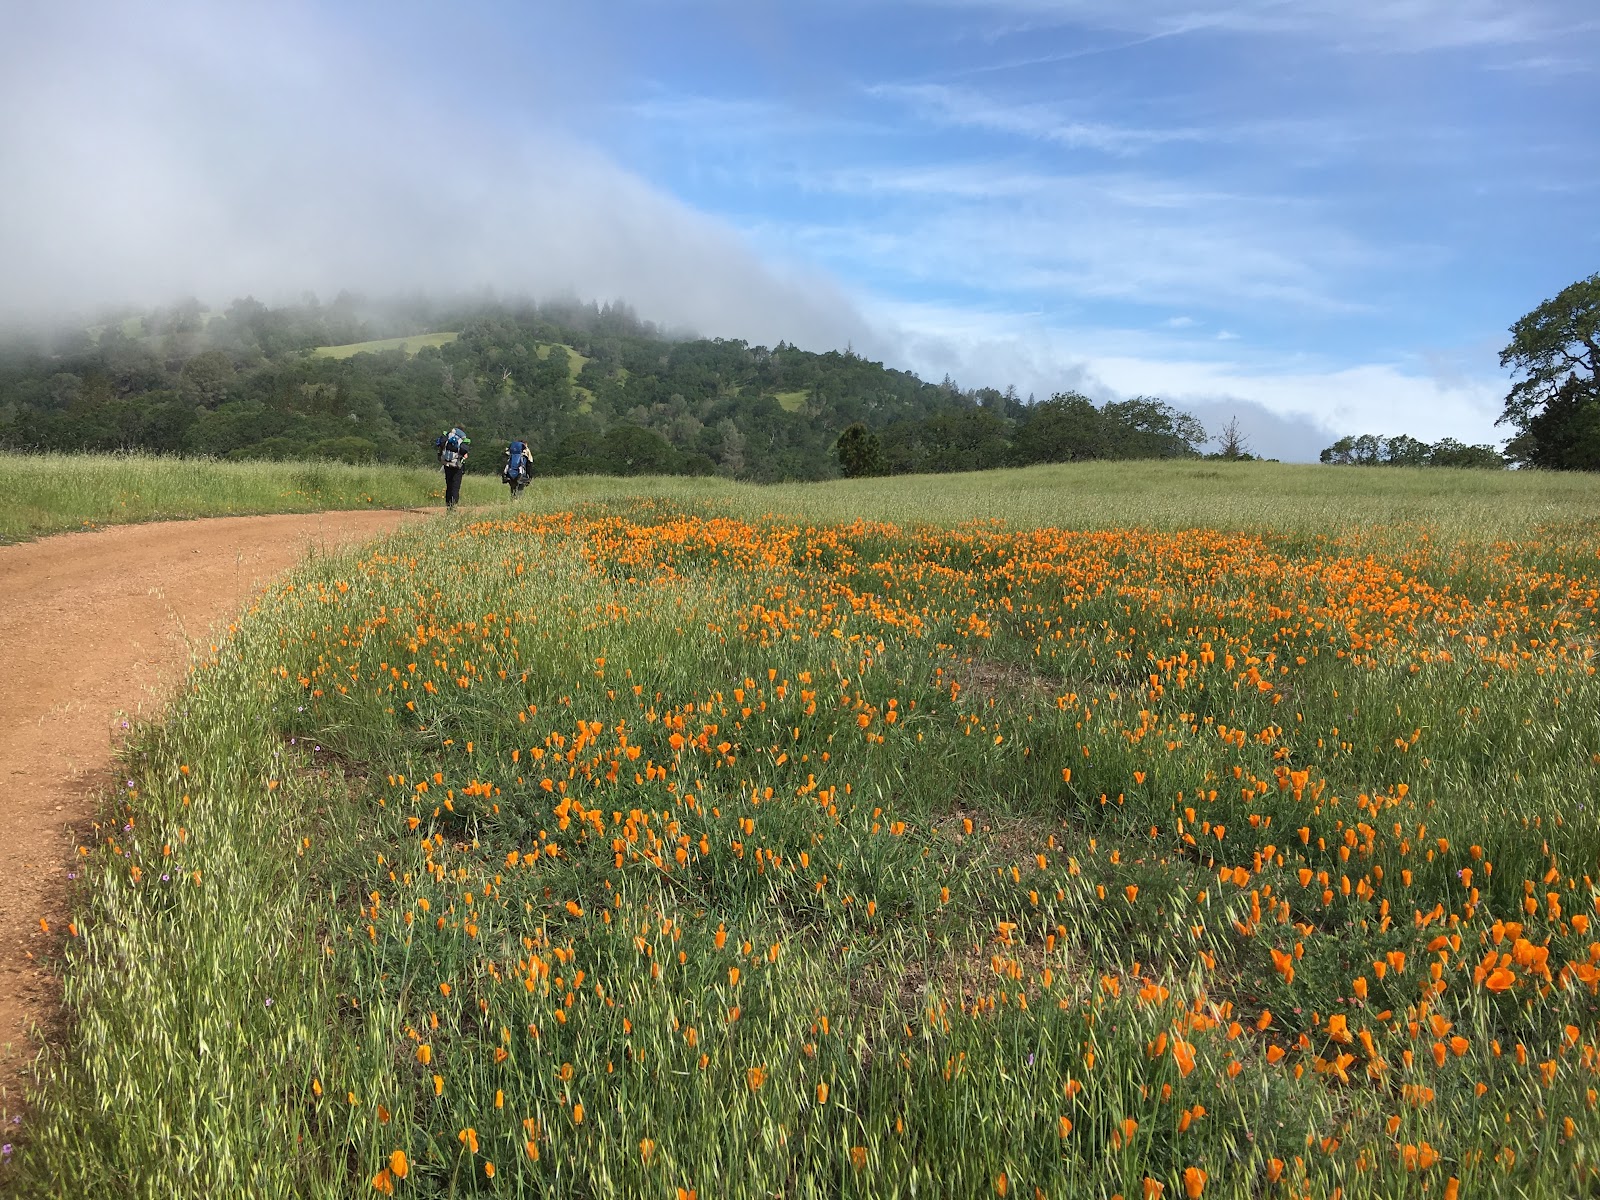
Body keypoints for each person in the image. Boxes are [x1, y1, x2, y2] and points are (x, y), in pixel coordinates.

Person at [434, 426, 470, 508]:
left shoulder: (447, 438)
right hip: (457, 466)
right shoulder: (461, 440)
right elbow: (465, 455)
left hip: (446, 464)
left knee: (449, 485)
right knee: (455, 486)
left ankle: (448, 505)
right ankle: (453, 506)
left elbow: (440, 448)